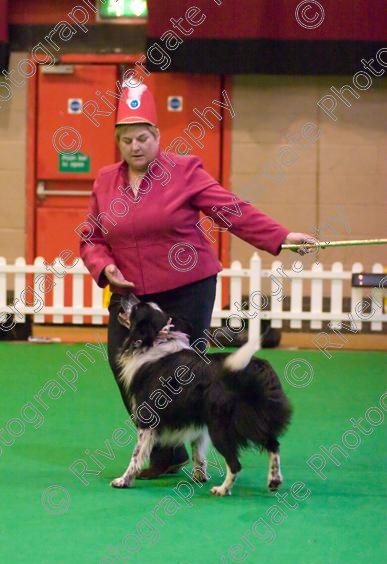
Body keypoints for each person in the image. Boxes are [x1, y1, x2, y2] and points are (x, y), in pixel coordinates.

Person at [79, 83, 317, 479]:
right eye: (126, 140)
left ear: (156, 136)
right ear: (118, 143)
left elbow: (231, 210)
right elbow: (91, 236)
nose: (135, 146)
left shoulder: (184, 171)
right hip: (132, 297)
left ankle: (185, 448)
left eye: (142, 138)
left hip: (186, 289)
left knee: (185, 375)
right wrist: (104, 267)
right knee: (126, 368)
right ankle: (168, 450)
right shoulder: (105, 181)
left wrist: (281, 237)